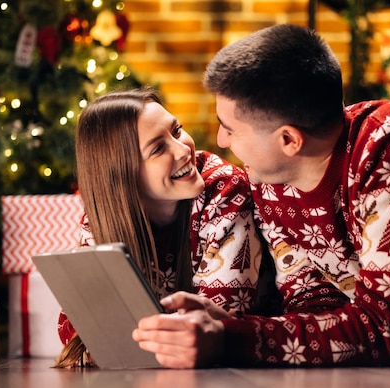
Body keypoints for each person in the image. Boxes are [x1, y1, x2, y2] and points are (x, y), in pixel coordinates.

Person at [132, 24, 390, 368]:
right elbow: (313, 307)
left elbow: (385, 328)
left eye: (230, 129)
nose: (219, 141)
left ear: (289, 139)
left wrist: (230, 336)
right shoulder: (270, 176)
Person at [55, 88, 264, 367]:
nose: (183, 150)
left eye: (176, 131)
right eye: (157, 148)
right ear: (122, 175)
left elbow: (216, 320)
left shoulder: (225, 188)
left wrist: (132, 334)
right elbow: (81, 334)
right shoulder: (102, 219)